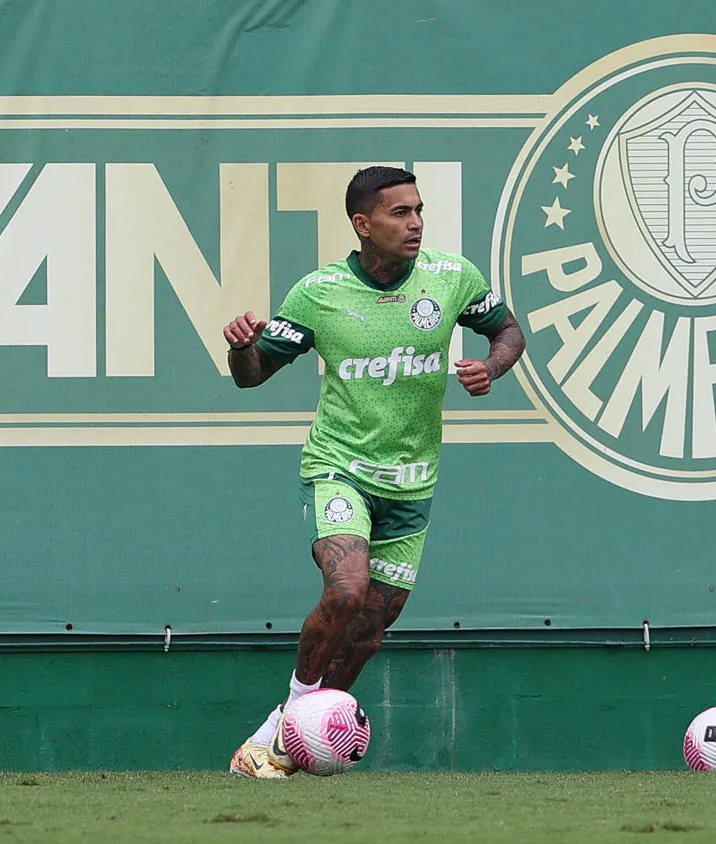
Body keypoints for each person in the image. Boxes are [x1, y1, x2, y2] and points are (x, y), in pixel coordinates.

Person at [223, 166, 527, 778]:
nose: (414, 223)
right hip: (342, 468)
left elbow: (509, 331)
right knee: (346, 590)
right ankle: (299, 718)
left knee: (366, 631)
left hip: (413, 484)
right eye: (399, 213)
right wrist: (239, 345)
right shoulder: (319, 293)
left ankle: (276, 745)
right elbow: (253, 373)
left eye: (418, 211)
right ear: (363, 225)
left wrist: (492, 367)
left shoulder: (452, 277)